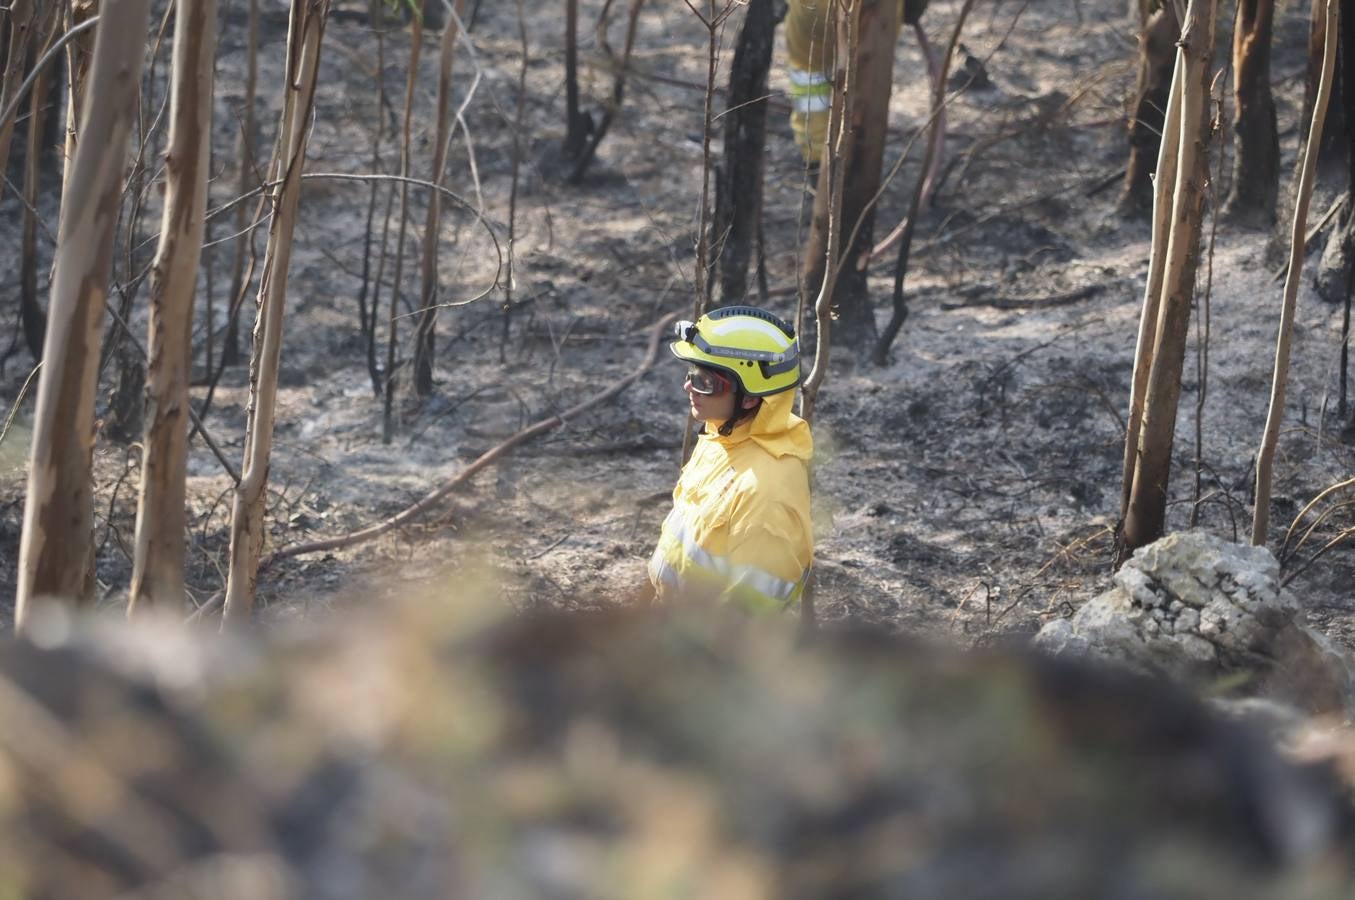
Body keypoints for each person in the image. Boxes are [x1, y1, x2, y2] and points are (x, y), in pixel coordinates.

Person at [648, 307, 813, 612]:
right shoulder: (721, 437)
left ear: (750, 398)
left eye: (705, 382)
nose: (689, 387)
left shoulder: (768, 493)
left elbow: (746, 616)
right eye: (691, 373)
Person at [785, 0, 929, 164]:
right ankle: (859, 156)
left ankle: (816, 159)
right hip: (878, 17)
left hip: (811, 9)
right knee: (866, 83)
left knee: (809, 78)